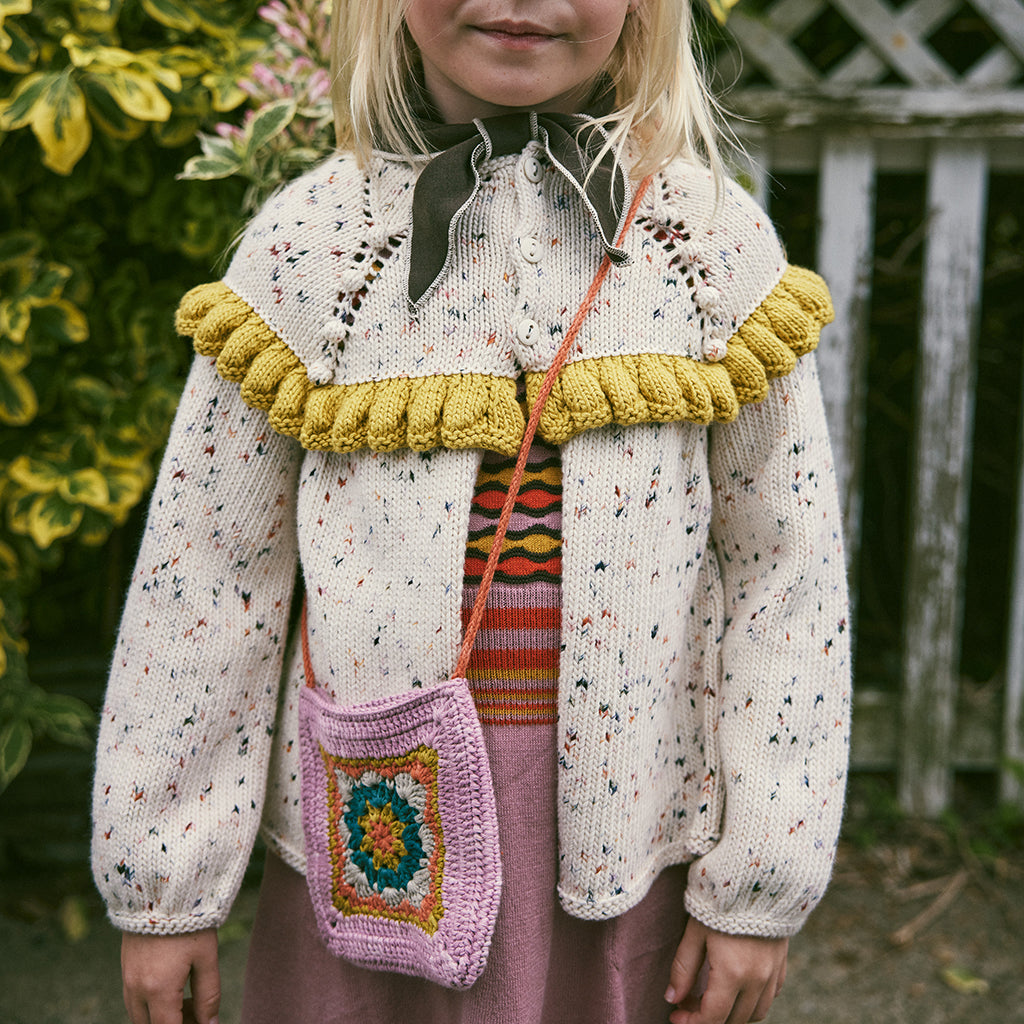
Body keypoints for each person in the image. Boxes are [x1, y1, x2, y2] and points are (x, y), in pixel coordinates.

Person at [92, 0, 852, 1022]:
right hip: (370, 843)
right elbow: (209, 577)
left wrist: (760, 884)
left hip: (628, 844)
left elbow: (784, 576)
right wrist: (163, 889)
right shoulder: (312, 250)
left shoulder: (707, 252)